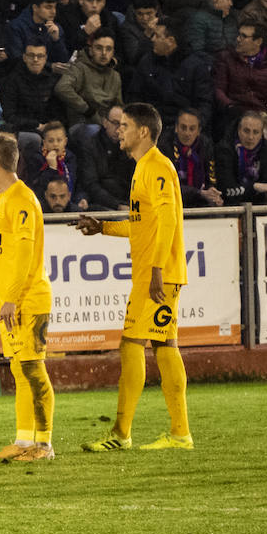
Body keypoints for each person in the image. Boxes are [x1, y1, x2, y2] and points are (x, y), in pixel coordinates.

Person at [76, 102, 193, 452]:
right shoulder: (144, 168)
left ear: (143, 131)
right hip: (153, 273)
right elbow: (144, 226)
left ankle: (122, 433)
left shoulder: (157, 167)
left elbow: (169, 221)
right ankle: (178, 433)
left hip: (157, 275)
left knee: (132, 345)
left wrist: (157, 269)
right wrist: (104, 228)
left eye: (125, 125)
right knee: (163, 345)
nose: (119, 131)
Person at [0, 132, 56, 463]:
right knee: (21, 369)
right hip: (12, 298)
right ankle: (25, 441)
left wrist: (10, 296)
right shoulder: (5, 199)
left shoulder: (22, 199)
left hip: (29, 299)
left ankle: (44, 444)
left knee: (33, 368)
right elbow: (7, 256)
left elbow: (25, 254)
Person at [55, 29, 122, 131]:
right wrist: (87, 109)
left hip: (107, 126)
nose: (104, 53)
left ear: (113, 52)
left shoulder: (115, 76)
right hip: (82, 123)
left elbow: (119, 105)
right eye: (99, 48)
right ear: (90, 50)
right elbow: (61, 88)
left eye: (108, 49)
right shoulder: (79, 68)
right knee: (94, 130)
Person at [217, 110, 267, 204]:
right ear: (239, 130)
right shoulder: (225, 149)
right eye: (246, 131)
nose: (250, 137)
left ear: (261, 134)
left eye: (256, 132)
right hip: (230, 204)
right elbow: (226, 190)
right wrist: (254, 187)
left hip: (257, 204)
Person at [159, 109, 223, 208]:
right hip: (171, 203)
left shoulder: (206, 145)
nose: (187, 133)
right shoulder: (164, 147)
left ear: (198, 131)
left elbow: (211, 178)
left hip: (200, 201)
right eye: (183, 128)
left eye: (192, 129)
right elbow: (167, 187)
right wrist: (199, 193)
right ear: (176, 128)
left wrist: (213, 193)